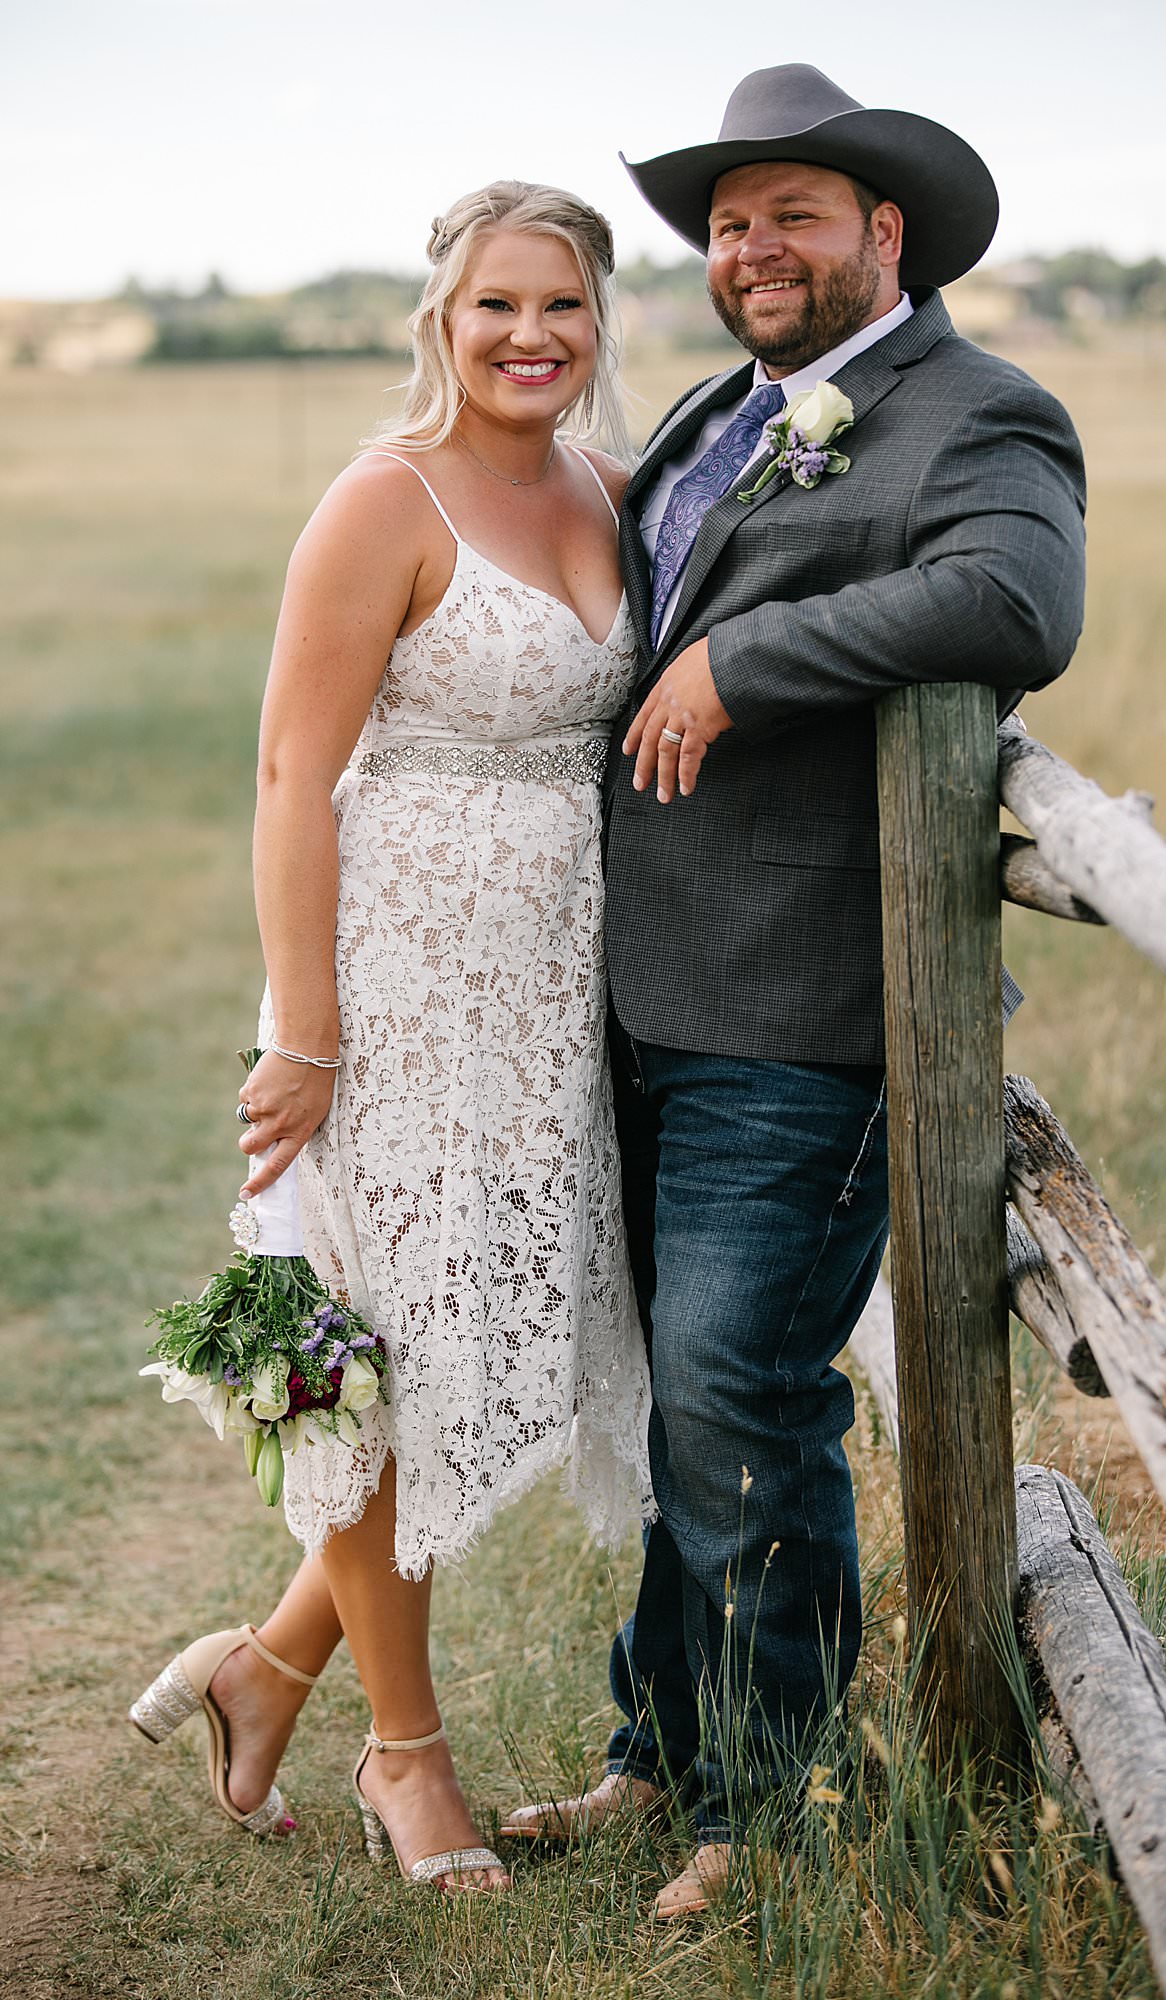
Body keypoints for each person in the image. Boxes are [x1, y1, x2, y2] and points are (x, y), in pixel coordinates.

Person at [502, 65, 1087, 1916]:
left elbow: (1013, 606)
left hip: (810, 1007)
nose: (752, 249)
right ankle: (656, 1751)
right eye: (731, 223)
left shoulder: (980, 413)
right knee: (683, 1405)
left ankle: (765, 1810)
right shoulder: (712, 411)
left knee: (737, 1389)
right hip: (649, 998)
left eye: (794, 216)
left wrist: (752, 655)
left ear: (882, 235)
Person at [129, 181, 652, 1897]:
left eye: (560, 307)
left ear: (597, 320)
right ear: (441, 316)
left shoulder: (610, 487)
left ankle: (263, 1666)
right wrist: (311, 1035)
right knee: (373, 1356)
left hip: (550, 994)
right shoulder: (382, 498)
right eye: (496, 305)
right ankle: (404, 1759)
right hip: (391, 991)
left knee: (472, 1344)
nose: (530, 338)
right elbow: (293, 772)